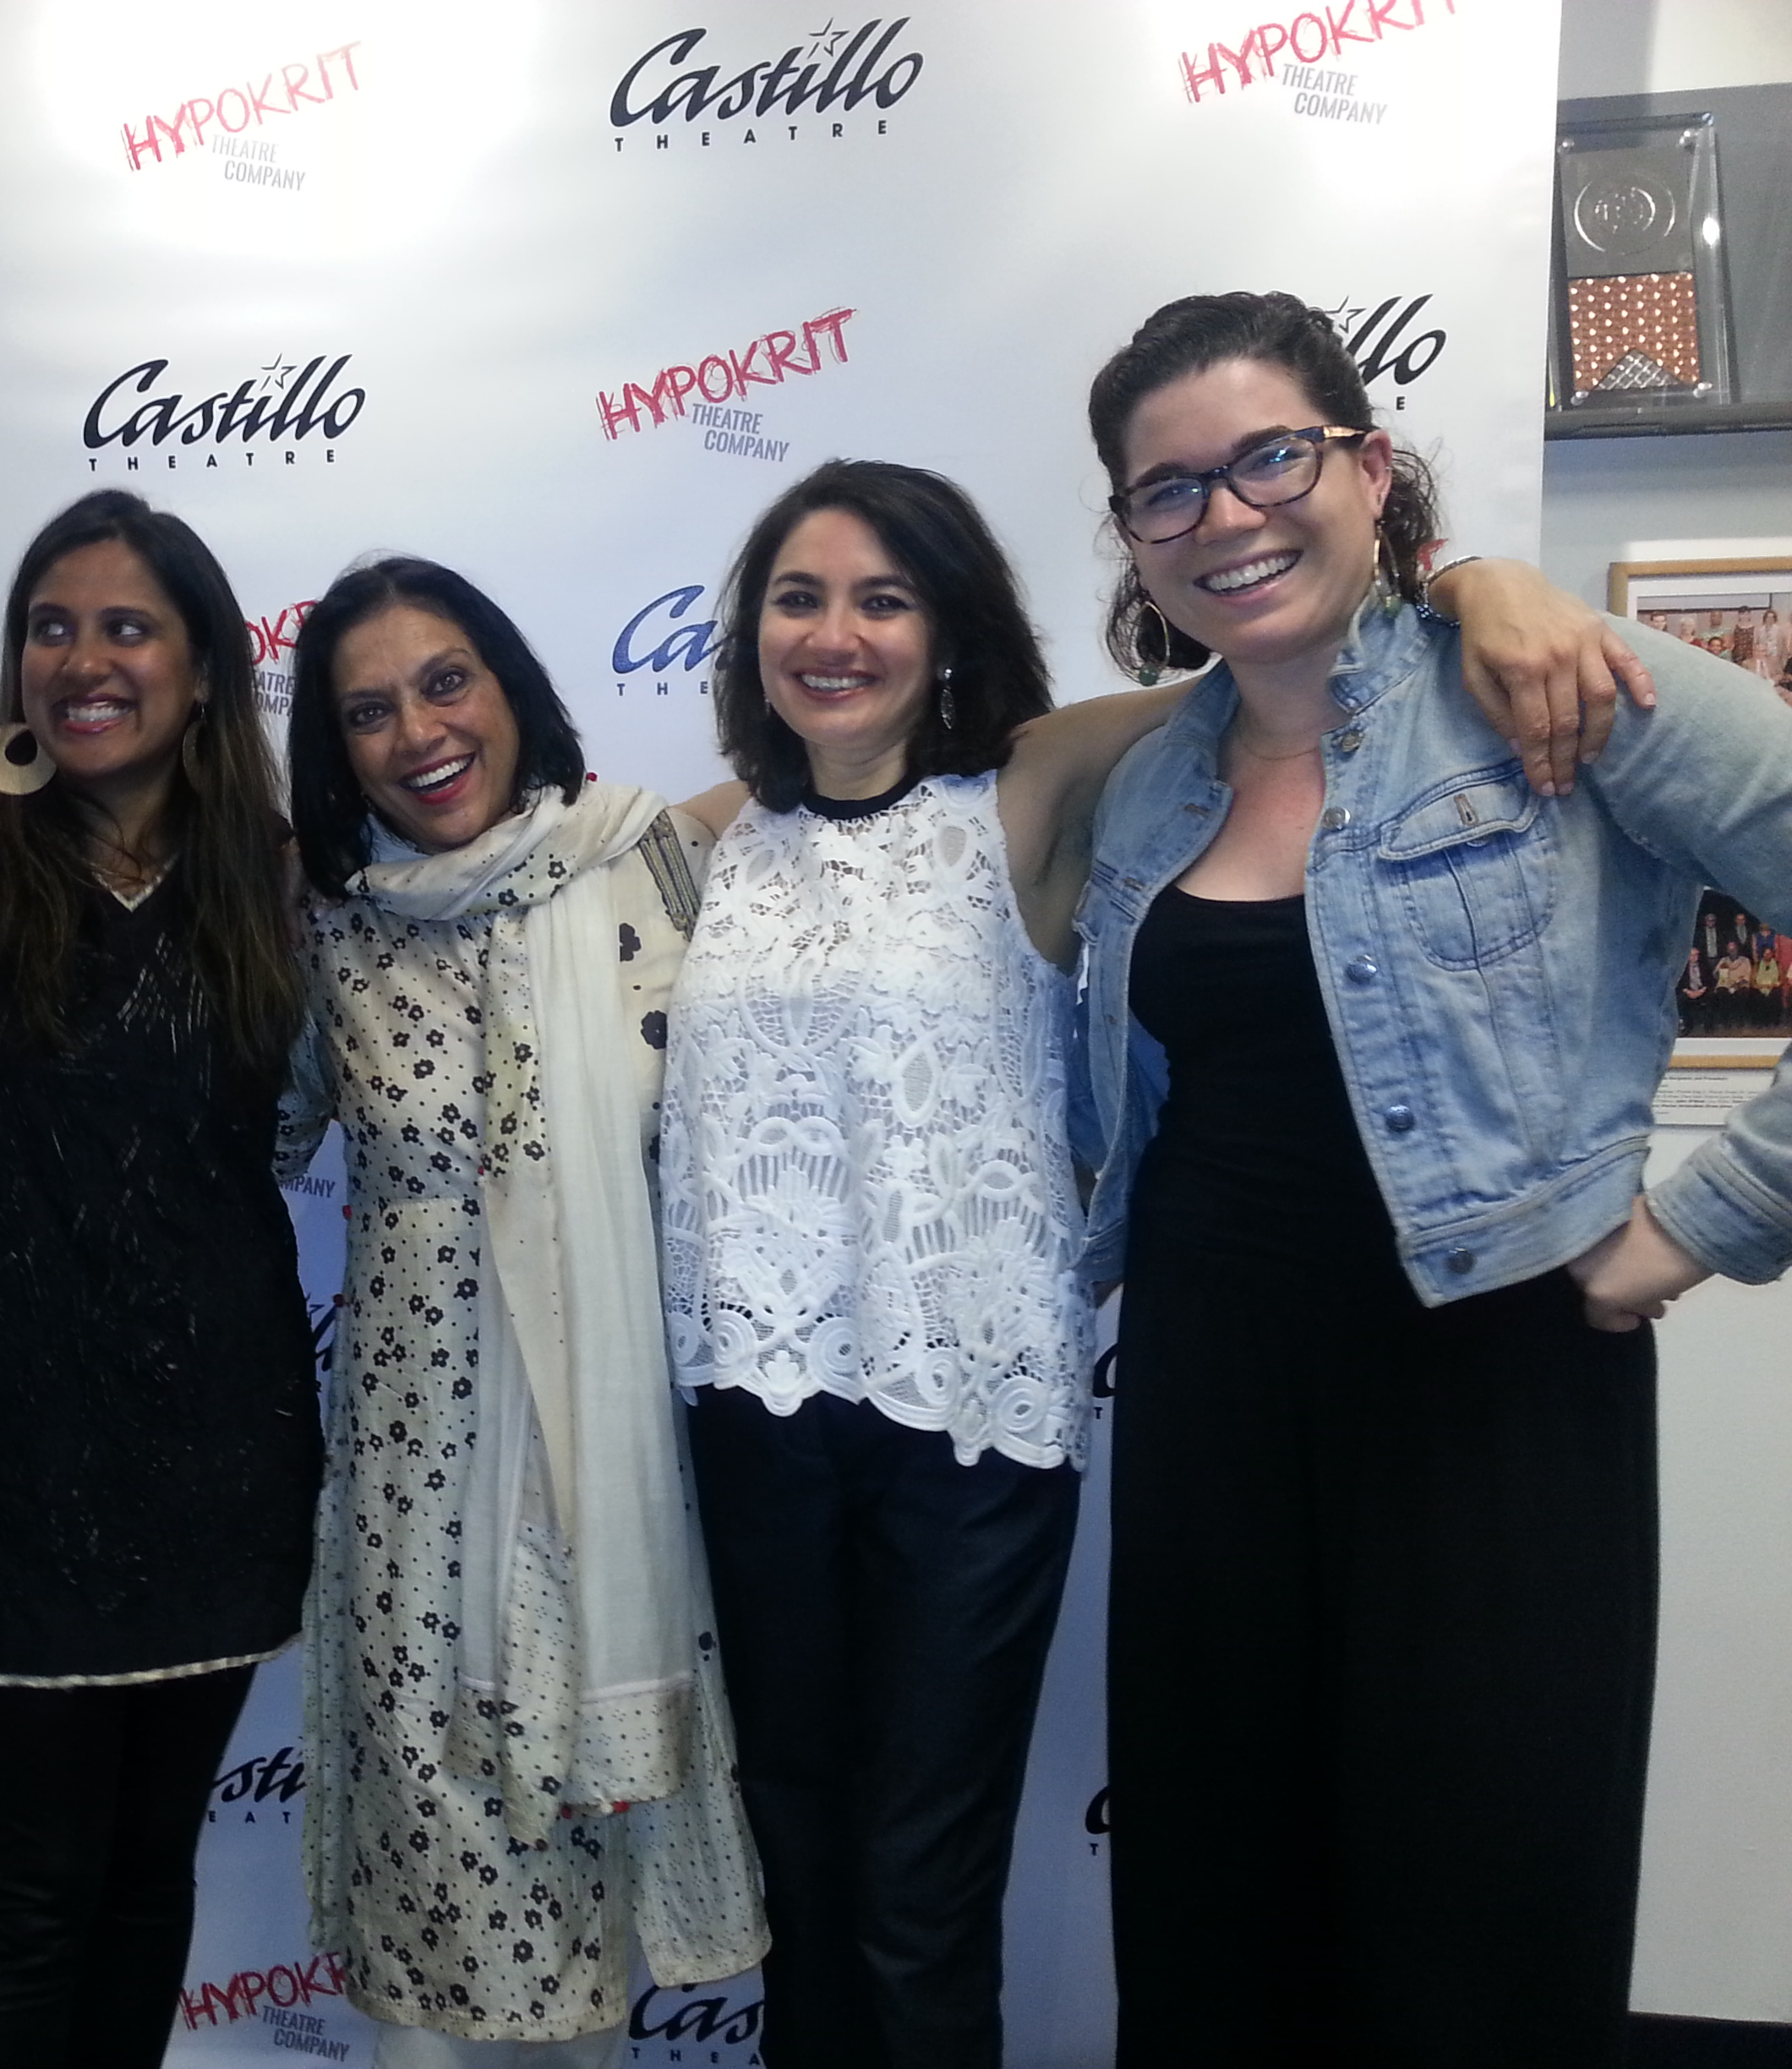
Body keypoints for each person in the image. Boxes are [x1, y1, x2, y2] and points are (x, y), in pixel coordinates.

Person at [653, 461, 1620, 2069]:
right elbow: (506, 858)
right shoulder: (703, 840)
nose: (833, 634)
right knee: (795, 1864)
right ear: (749, 628)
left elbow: (1284, 650)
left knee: (911, 1888)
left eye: (881, 598)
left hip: (967, 1432)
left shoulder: (1034, 782)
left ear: (949, 628)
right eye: (797, 597)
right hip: (756, 1420)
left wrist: (1479, 584)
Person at [1075, 290, 1792, 2066]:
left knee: (1477, 1924)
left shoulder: (1553, 692)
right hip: (1208, 1407)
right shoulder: (1151, 782)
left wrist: (1702, 1225)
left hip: (1490, 1396)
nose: (1225, 515)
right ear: (1133, 539)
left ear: (1369, 467)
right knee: (1220, 1914)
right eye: (1168, 491)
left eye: (1269, 458)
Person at [0, 490, 320, 2069]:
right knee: (31, 1891)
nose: (82, 659)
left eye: (125, 627)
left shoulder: (272, 864)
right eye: (51, 625)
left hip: (217, 1457)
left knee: (143, 1878)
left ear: (198, 665)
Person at [278, 557, 768, 2066]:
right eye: (366, 709)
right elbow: (229, 1141)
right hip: (414, 1501)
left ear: (507, 687)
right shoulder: (323, 934)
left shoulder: (651, 862)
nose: (416, 729)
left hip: (619, 1475)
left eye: (444, 680)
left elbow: (929, 743)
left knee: (587, 1862)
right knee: (437, 1867)